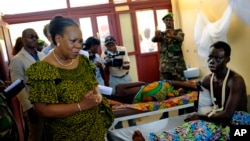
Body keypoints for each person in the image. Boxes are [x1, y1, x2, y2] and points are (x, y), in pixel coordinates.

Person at [133, 41, 250, 141]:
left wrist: (200, 117)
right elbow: (193, 86)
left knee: (207, 130)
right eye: (210, 57)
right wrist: (169, 83)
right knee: (191, 126)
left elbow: (227, 115)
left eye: (218, 58)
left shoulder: (235, 80)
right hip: (219, 117)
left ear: (227, 59)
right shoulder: (209, 79)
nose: (212, 61)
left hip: (239, 121)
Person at [25, 15, 114, 141]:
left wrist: (97, 95)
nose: (78, 46)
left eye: (80, 41)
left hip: (94, 130)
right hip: (66, 135)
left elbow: (94, 85)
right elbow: (42, 110)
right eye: (73, 41)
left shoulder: (83, 61)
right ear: (58, 39)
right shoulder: (43, 70)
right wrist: (80, 105)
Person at [9, 28, 46, 141]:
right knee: (36, 135)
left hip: (49, 102)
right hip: (33, 105)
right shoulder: (17, 59)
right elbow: (18, 86)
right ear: (23, 39)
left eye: (36, 37)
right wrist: (29, 108)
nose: (34, 39)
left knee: (49, 135)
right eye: (31, 36)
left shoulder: (42, 56)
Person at [102, 35, 135, 128]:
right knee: (116, 103)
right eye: (108, 45)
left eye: (112, 44)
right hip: (114, 79)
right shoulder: (104, 54)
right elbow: (105, 73)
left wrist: (116, 63)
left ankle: (132, 124)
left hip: (126, 77)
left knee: (130, 101)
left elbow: (127, 66)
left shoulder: (122, 49)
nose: (111, 47)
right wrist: (107, 65)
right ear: (106, 46)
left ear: (115, 43)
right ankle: (118, 126)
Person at [152, 13, 187, 81]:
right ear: (164, 22)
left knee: (181, 86)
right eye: (167, 20)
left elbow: (180, 38)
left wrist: (172, 36)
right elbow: (154, 40)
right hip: (165, 67)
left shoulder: (178, 31)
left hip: (177, 66)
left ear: (173, 21)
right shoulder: (162, 34)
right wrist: (156, 35)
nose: (169, 21)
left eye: (170, 20)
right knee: (165, 86)